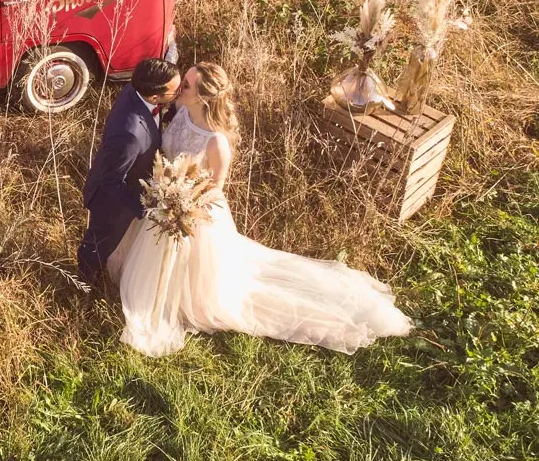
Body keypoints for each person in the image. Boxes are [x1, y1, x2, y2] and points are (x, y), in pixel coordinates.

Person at [118, 62, 414, 356]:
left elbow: (215, 189)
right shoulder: (182, 112)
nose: (178, 86)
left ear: (204, 98)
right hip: (165, 201)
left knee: (208, 293)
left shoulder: (216, 143)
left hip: (192, 213)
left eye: (186, 85)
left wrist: (180, 206)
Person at [78, 58, 181, 287]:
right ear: (155, 97)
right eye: (175, 91)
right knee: (97, 245)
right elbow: (112, 180)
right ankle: (84, 285)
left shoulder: (137, 88)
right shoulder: (130, 133)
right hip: (112, 203)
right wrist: (143, 210)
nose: (178, 94)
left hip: (129, 179)